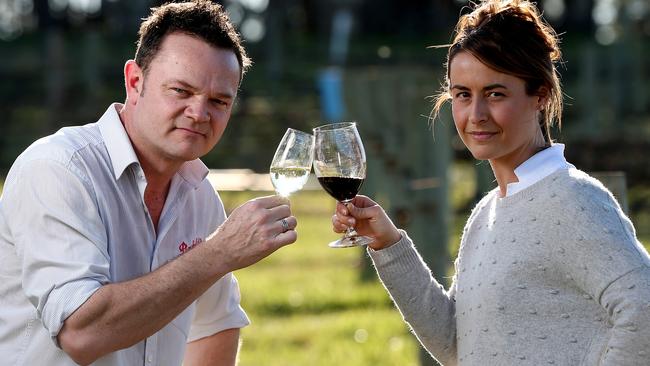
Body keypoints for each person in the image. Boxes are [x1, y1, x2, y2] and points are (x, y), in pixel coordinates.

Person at [332, 1, 650, 365]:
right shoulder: (487, 213)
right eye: (463, 95)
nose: (476, 115)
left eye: (495, 94)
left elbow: (645, 310)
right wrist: (387, 243)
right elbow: (456, 344)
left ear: (540, 96)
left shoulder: (574, 200)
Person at [0, 1, 298, 365]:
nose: (200, 113)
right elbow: (80, 333)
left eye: (219, 101)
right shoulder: (57, 169)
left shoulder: (199, 194)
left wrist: (216, 257)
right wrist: (219, 253)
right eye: (181, 91)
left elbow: (215, 326)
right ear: (135, 82)